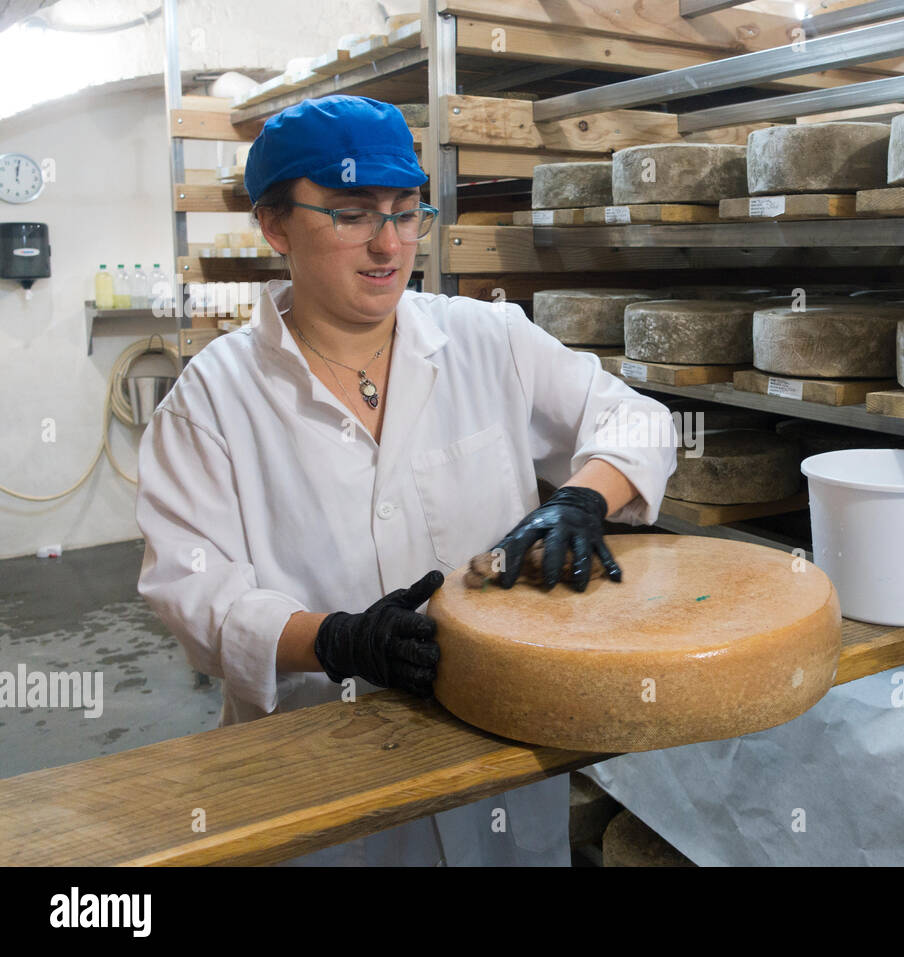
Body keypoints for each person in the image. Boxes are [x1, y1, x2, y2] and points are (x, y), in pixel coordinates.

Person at [135, 94, 677, 865]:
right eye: (352, 214)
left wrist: (586, 497)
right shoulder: (213, 400)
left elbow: (637, 420)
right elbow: (194, 595)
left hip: (495, 750)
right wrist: (336, 639)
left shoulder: (486, 338)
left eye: (405, 210)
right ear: (275, 223)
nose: (388, 244)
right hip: (325, 775)